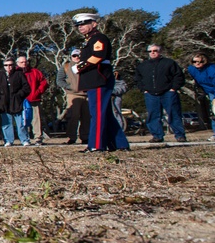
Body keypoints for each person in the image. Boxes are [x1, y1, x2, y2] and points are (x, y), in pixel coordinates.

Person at [72, 13, 129, 152]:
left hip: (98, 79)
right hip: (93, 80)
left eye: (84, 24)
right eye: (79, 25)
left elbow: (97, 57)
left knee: (97, 114)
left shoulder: (99, 38)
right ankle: (120, 144)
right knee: (106, 114)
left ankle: (96, 145)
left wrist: (78, 67)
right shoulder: (89, 40)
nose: (81, 27)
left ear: (94, 24)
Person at [135, 44, 186, 143]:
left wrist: (173, 88)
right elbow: (138, 79)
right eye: (150, 51)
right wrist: (143, 89)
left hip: (168, 93)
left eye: (155, 50)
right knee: (153, 115)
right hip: (150, 94)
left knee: (174, 114)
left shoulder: (169, 63)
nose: (152, 53)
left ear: (160, 51)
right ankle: (157, 136)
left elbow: (178, 76)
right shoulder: (142, 66)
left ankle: (180, 135)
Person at [0, 59, 31, 147]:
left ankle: (24, 140)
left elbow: (26, 87)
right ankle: (8, 140)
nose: (9, 67)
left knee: (20, 123)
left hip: (17, 102)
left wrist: (19, 95)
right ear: (3, 66)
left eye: (11, 65)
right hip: (4, 103)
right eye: (6, 65)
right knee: (6, 123)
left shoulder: (19, 74)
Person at [187, 53, 215, 141]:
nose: (197, 63)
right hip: (210, 91)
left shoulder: (214, 70)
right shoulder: (192, 69)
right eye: (194, 61)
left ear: (205, 61)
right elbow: (198, 81)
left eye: (200, 61)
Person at [57, 49, 90, 145]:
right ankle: (71, 137)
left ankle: (85, 137)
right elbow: (59, 80)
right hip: (73, 95)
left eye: (78, 55)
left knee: (86, 117)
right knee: (73, 116)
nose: (76, 58)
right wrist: (69, 87)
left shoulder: (87, 65)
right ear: (71, 56)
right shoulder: (66, 66)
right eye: (74, 56)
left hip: (86, 95)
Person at [16, 56, 48, 145]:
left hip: (34, 99)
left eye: (25, 62)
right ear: (17, 63)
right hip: (20, 100)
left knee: (36, 118)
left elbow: (44, 83)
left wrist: (37, 92)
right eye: (21, 62)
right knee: (23, 119)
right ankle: (25, 138)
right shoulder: (15, 73)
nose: (24, 64)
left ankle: (38, 137)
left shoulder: (35, 72)